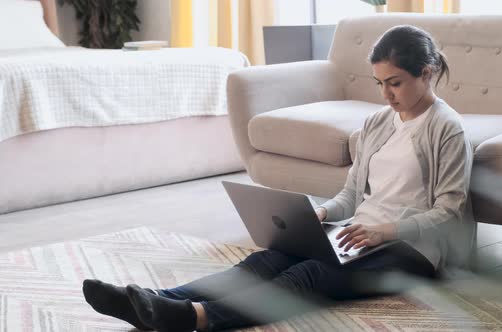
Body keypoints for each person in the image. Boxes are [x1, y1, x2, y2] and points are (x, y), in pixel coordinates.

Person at [82, 25, 474, 332]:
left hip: (412, 252)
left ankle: (195, 317)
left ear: (427, 73)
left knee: (307, 275)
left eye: (395, 82)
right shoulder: (377, 123)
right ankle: (152, 301)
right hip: (357, 236)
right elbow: (352, 194)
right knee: (267, 260)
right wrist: (320, 215)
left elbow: (450, 210)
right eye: (380, 83)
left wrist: (384, 231)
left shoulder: (446, 128)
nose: (386, 94)